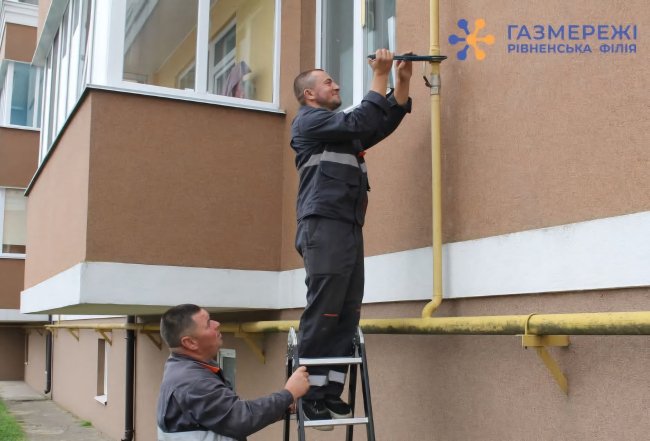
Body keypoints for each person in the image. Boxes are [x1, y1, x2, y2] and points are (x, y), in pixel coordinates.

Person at [290, 49, 413, 426]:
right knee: (325, 306)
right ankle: (307, 395)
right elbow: (360, 118)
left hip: (345, 224)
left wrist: (402, 83)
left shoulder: (340, 130)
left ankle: (329, 390)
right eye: (328, 82)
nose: (336, 85)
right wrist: (380, 74)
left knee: (346, 309)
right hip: (323, 223)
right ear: (309, 94)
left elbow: (378, 123)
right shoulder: (309, 121)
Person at [157, 304, 310, 441]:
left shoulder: (187, 369)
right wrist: (289, 394)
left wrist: (281, 408)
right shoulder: (192, 381)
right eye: (208, 324)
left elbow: (225, 416)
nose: (217, 324)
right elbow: (239, 418)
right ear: (190, 342)